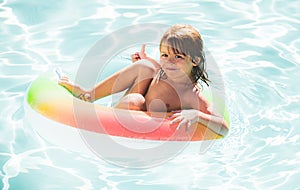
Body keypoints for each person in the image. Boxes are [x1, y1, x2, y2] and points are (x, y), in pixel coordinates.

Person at [59, 24, 229, 136]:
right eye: (164, 55)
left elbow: (223, 127)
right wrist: (145, 61)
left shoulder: (191, 95)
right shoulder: (163, 70)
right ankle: (89, 94)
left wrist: (196, 115)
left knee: (137, 99)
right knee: (145, 68)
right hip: (125, 109)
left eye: (178, 56)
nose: (169, 61)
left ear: (195, 60)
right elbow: (155, 69)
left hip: (147, 126)